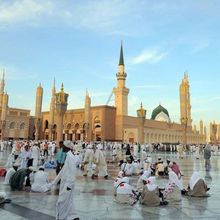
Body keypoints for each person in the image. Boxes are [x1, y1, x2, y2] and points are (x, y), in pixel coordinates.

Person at [52, 140, 79, 220]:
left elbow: (72, 172)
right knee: (69, 201)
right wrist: (55, 181)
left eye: (63, 146)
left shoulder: (70, 157)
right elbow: (63, 170)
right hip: (66, 183)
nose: (62, 147)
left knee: (61, 202)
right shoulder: (68, 156)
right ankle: (73, 216)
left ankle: (62, 218)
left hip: (68, 185)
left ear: (67, 147)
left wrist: (69, 186)